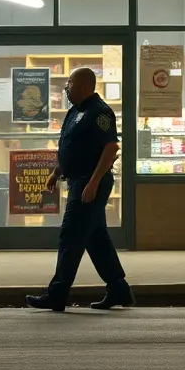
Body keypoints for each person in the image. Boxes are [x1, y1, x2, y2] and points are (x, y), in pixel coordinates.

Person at [26, 67, 133, 312]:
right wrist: (56, 171)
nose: (66, 87)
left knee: (71, 236)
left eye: (70, 82)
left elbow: (110, 149)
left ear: (84, 85)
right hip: (77, 180)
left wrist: (93, 182)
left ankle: (57, 294)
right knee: (96, 239)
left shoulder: (100, 112)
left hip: (89, 182)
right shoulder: (75, 111)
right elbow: (69, 145)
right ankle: (119, 290)